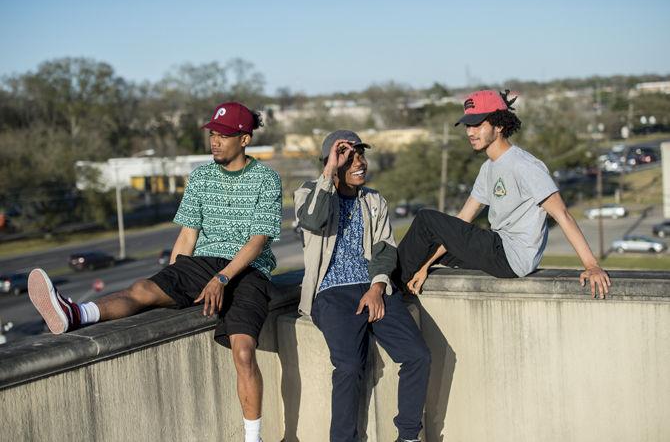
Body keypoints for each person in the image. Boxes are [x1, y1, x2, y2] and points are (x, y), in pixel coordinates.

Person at [27, 101, 282, 442]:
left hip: (248, 270)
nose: (215, 141)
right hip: (203, 262)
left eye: (224, 135)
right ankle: (76, 312)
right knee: (144, 289)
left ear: (245, 139)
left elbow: (256, 241)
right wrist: (174, 281)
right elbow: (188, 235)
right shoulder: (202, 176)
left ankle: (254, 438)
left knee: (244, 352)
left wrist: (222, 279)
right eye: (212, 134)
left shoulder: (267, 179)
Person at [396, 89, 611, 298]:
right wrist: (425, 266)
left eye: (478, 125)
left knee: (426, 219)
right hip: (497, 248)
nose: (470, 132)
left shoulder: (524, 165)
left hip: (511, 255)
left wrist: (592, 266)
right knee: (427, 243)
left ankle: (389, 291)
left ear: (499, 125)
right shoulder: (488, 168)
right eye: (467, 126)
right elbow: (461, 220)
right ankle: (398, 285)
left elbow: (562, 214)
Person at [294, 130, 431, 442]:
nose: (360, 163)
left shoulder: (374, 200)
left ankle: (408, 436)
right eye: (349, 156)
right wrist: (329, 172)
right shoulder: (308, 193)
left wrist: (377, 287)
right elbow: (314, 221)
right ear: (332, 160)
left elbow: (385, 248)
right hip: (330, 293)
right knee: (349, 366)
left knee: (417, 355)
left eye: (361, 155)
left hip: (372, 288)